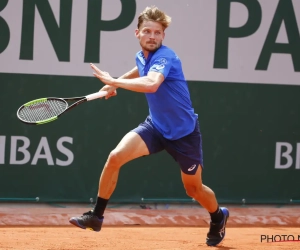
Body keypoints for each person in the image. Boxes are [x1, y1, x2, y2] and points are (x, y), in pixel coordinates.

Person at [69, 5, 229, 246]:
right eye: (147, 31)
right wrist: (117, 84)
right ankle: (97, 216)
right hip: (155, 127)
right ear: (137, 34)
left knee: (194, 190)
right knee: (115, 157)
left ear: (163, 36)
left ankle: (218, 216)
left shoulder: (167, 56)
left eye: (157, 32)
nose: (152, 36)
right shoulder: (142, 55)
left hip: (184, 134)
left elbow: (153, 82)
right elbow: (140, 69)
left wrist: (114, 81)